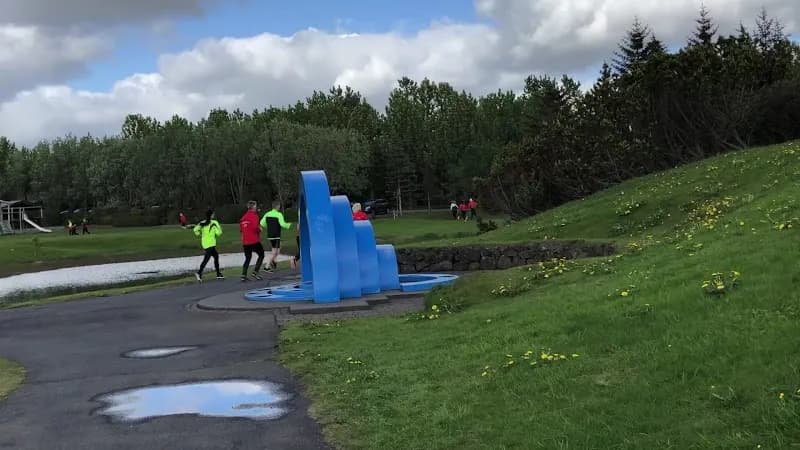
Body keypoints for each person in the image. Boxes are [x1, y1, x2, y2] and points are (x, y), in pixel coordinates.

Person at [260, 200, 292, 273]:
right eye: (279, 206)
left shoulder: (267, 214)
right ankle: (266, 267)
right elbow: (282, 224)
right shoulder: (279, 214)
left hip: (270, 235)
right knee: (274, 252)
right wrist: (289, 225)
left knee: (279, 246)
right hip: (276, 235)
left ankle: (274, 261)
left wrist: (269, 226)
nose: (279, 207)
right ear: (277, 206)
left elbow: (262, 223)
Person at [193, 209, 224, 282]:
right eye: (213, 214)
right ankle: (199, 273)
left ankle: (218, 273)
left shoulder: (202, 222)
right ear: (211, 215)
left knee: (216, 256)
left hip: (205, 244)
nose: (214, 215)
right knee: (206, 259)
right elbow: (219, 232)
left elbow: (195, 230)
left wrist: (200, 234)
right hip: (211, 243)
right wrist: (215, 233)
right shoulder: (214, 222)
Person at [239, 201, 265, 282]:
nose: (256, 207)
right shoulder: (254, 216)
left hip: (245, 242)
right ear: (253, 207)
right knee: (261, 254)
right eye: (255, 206)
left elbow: (241, 230)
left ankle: (243, 275)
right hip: (253, 240)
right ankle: (255, 272)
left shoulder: (243, 218)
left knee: (248, 257)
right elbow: (255, 227)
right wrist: (260, 229)